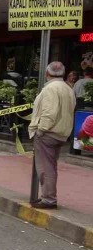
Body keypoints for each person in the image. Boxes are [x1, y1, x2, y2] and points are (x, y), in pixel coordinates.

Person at [28, 61, 76, 209]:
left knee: (45, 167)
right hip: (61, 133)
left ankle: (48, 199)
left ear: (47, 73)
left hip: (49, 132)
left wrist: (41, 130)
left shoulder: (50, 89)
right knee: (51, 166)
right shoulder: (68, 89)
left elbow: (49, 113)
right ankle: (49, 197)